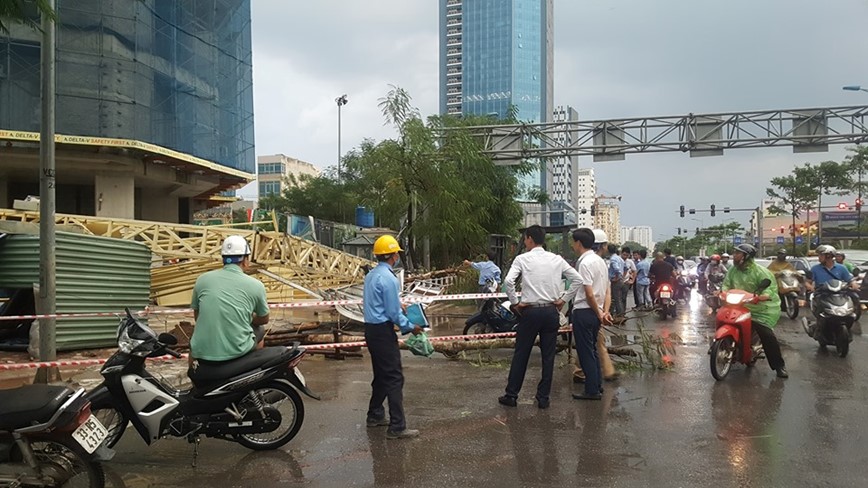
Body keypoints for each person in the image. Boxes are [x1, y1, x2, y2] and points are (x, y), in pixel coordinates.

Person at [499, 225, 581, 409]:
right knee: (548, 356)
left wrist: (514, 303)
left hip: (530, 311)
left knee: (522, 353)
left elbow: (508, 281)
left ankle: (511, 395)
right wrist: (563, 299)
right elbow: (577, 279)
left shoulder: (522, 259)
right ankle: (543, 398)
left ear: (528, 238)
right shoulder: (556, 259)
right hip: (551, 311)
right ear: (543, 240)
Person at [364, 235, 423, 439]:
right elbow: (392, 313)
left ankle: (375, 415)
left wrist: (398, 306)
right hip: (382, 331)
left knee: (381, 375)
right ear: (394, 255)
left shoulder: (371, 275)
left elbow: (380, 303)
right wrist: (411, 326)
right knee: (394, 377)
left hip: (371, 330)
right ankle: (397, 426)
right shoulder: (389, 278)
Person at [189, 235, 269, 366]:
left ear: (223, 259)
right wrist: (248, 318)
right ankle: (251, 369)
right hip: (237, 350)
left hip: (201, 351)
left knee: (194, 341)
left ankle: (194, 376)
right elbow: (264, 319)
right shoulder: (256, 285)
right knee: (259, 330)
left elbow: (198, 316)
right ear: (245, 260)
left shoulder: (202, 279)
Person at [722, 244, 788, 378]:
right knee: (723, 321)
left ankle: (779, 366)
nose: (734, 256)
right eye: (734, 253)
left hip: (760, 309)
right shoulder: (732, 271)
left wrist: (763, 296)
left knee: (767, 335)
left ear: (746, 256)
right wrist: (722, 292)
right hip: (738, 306)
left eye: (737, 253)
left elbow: (769, 288)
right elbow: (726, 284)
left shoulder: (761, 272)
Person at [569, 228, 612, 401]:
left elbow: (588, 293)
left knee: (586, 352)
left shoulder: (584, 263)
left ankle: (592, 390)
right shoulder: (600, 261)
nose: (573, 245)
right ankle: (596, 385)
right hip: (596, 312)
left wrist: (598, 311)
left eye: (573, 242)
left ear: (578, 243)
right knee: (592, 350)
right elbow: (607, 290)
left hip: (585, 311)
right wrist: (604, 312)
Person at [608, 244, 626, 316]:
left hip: (616, 281)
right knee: (619, 298)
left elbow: (617, 269)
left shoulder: (613, 259)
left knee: (616, 299)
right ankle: (620, 314)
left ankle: (619, 315)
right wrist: (623, 276)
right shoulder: (619, 258)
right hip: (620, 280)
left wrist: (617, 277)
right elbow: (626, 267)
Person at [621, 247, 636, 313]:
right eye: (624, 255)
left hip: (626, 282)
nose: (625, 256)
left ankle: (623, 312)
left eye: (627, 255)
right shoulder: (617, 260)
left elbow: (635, 271)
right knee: (617, 298)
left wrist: (632, 280)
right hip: (617, 282)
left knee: (624, 298)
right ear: (621, 253)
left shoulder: (630, 262)